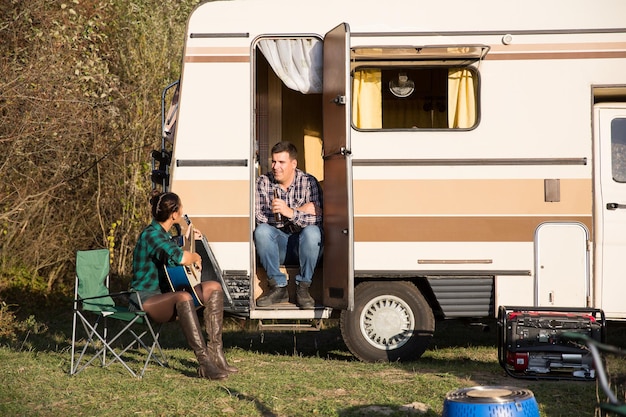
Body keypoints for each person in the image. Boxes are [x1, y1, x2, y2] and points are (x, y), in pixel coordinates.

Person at [129, 190, 238, 380]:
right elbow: (178, 257)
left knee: (213, 287)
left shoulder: (160, 234)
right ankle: (204, 364)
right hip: (145, 298)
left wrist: (186, 238)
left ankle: (216, 353)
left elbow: (169, 246)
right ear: (174, 214)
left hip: (163, 296)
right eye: (181, 209)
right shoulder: (151, 235)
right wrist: (195, 256)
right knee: (183, 296)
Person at [254, 141, 323, 309]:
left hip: (304, 247)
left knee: (312, 233)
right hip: (277, 247)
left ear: (294, 164)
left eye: (281, 162)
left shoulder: (308, 182)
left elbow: (318, 220)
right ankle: (278, 287)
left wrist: (290, 212)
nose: (275, 166)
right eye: (274, 161)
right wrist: (300, 211)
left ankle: (303, 288)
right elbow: (259, 218)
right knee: (262, 231)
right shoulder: (263, 182)